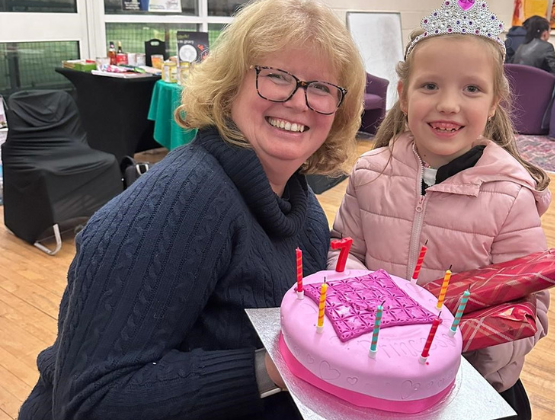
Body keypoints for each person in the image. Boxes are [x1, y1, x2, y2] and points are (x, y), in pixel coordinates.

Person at [18, 0, 365, 419]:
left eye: (322, 87)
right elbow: (92, 401)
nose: (298, 101)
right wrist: (273, 368)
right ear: (230, 83)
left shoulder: (299, 200)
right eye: (275, 76)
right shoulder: (179, 204)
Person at [328, 1, 551, 419]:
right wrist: (384, 319)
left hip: (468, 383)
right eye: (430, 86)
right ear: (404, 97)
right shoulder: (369, 174)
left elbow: (528, 310)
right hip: (373, 372)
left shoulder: (511, 198)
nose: (448, 104)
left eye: (471, 88)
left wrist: (452, 350)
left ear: (494, 102)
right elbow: (344, 255)